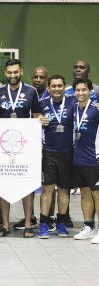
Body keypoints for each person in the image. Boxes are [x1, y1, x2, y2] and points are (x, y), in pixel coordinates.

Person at [0, 59, 47, 238]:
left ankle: (29, 223)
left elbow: (37, 115)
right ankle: (5, 225)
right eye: (10, 72)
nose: (13, 75)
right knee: (4, 183)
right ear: (5, 74)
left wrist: (42, 120)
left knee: (27, 185)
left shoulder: (31, 92)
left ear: (21, 71)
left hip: (25, 146)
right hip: (3, 146)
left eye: (16, 72)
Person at [37, 75, 75, 239]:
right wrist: (38, 118)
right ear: (48, 87)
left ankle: (61, 223)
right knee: (47, 189)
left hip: (68, 152)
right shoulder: (43, 103)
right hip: (49, 152)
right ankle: (44, 224)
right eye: (53, 86)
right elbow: (34, 117)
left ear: (64, 86)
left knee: (64, 189)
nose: (57, 89)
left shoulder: (73, 102)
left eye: (60, 86)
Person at [71, 78, 99, 244]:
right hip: (79, 158)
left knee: (97, 194)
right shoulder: (73, 108)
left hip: (94, 158)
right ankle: (88, 226)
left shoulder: (96, 109)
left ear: (90, 91)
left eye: (84, 90)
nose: (81, 93)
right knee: (85, 193)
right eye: (78, 90)